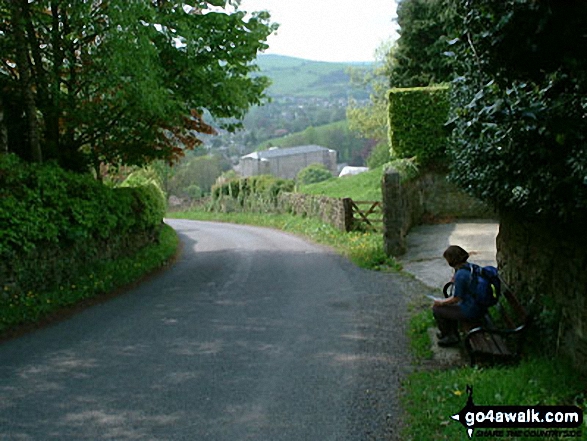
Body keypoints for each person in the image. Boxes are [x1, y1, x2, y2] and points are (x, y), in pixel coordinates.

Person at [432, 245, 487, 347]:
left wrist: (441, 302)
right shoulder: (470, 267)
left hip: (470, 310)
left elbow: (456, 298)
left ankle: (450, 336)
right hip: (479, 306)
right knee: (448, 308)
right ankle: (449, 333)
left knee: (437, 309)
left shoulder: (461, 275)